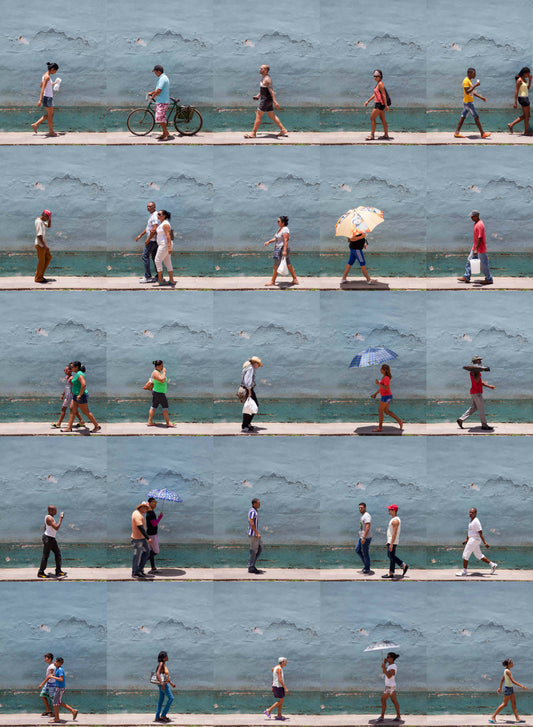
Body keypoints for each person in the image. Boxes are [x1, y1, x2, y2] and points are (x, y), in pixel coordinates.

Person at [245, 64, 288, 138]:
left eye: (261, 68)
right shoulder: (264, 78)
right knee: (272, 116)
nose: (259, 69)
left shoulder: (267, 79)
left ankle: (253, 133)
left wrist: (275, 102)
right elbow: (263, 89)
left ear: (265, 70)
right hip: (267, 100)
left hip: (265, 101)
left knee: (258, 116)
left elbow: (271, 91)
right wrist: (258, 96)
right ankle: (283, 130)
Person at [457, 355, 495, 431]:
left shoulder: (476, 371)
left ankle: (461, 419)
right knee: (481, 409)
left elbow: (480, 382)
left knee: (474, 408)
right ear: (474, 362)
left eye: (480, 360)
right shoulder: (474, 372)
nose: (480, 361)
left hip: (474, 392)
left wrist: (488, 386)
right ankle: (484, 425)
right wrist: (477, 372)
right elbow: (477, 380)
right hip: (476, 392)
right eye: (478, 360)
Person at [457, 507, 498, 576]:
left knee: (465, 555)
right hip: (472, 539)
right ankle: (492, 564)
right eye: (469, 512)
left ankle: (464, 571)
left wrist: (485, 543)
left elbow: (480, 532)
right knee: (479, 555)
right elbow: (470, 531)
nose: (470, 514)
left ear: (475, 513)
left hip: (474, 539)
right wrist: (466, 539)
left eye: (472, 512)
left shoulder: (476, 521)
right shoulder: (471, 521)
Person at [61, 362, 101, 433]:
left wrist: (80, 394)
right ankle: (69, 428)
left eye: (72, 367)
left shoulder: (80, 374)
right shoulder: (77, 374)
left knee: (85, 412)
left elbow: (84, 384)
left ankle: (96, 426)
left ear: (76, 367)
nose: (71, 368)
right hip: (75, 396)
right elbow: (77, 384)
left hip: (81, 396)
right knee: (72, 410)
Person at [457, 210, 493, 285]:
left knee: (483, 264)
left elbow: (480, 238)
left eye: (472, 217)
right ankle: (466, 276)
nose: (471, 218)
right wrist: (475, 248)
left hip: (480, 248)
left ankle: (489, 279)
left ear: (476, 216)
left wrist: (476, 249)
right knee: (469, 260)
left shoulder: (479, 224)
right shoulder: (476, 223)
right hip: (475, 247)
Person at [454, 67, 491, 139]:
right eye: (474, 73)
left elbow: (471, 91)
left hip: (467, 102)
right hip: (468, 102)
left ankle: (456, 133)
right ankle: (482, 133)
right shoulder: (466, 81)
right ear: (469, 73)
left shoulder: (469, 81)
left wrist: (481, 97)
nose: (475, 75)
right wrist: (475, 85)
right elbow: (467, 92)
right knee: (476, 117)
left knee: (463, 117)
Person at [263, 216, 298, 286]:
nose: (277, 222)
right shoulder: (280, 229)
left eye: (278, 221)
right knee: (288, 264)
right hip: (279, 249)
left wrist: (284, 251)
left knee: (276, 265)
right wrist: (269, 242)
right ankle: (295, 279)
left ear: (283, 222)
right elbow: (276, 239)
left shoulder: (285, 229)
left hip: (281, 249)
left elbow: (286, 240)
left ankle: (272, 281)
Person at [489, 658, 527, 724]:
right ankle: (493, 717)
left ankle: (518, 719)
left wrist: (500, 688)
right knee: (504, 704)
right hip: (508, 689)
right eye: (512, 662)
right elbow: (512, 681)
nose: (513, 663)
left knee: (513, 704)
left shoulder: (506, 670)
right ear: (509, 664)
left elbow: (502, 680)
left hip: (510, 688)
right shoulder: (508, 671)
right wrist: (522, 686)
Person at [370, 364, 404, 432]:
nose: (380, 370)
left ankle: (379, 428)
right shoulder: (384, 377)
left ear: (385, 370)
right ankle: (400, 421)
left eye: (381, 369)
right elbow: (381, 388)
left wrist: (378, 384)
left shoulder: (386, 378)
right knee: (386, 411)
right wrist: (375, 394)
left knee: (380, 411)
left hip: (386, 397)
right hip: (386, 396)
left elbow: (386, 388)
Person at [52, 364, 85, 429]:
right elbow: (66, 387)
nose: (65, 371)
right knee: (74, 409)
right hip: (67, 395)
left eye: (66, 370)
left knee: (63, 409)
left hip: (70, 395)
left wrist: (74, 395)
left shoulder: (71, 378)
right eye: (64, 370)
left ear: (70, 371)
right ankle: (81, 421)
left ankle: (58, 423)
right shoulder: (67, 377)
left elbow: (73, 387)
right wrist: (63, 394)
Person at [37, 506, 67, 579]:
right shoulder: (49, 518)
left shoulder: (49, 517)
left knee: (58, 553)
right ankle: (40, 572)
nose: (56, 512)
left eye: (56, 510)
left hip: (51, 538)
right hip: (48, 539)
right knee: (45, 556)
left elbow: (45, 527)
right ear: (50, 511)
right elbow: (56, 527)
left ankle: (58, 570)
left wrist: (48, 534)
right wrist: (61, 518)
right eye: (54, 510)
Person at [32, 62, 59, 136]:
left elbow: (41, 85)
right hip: (47, 97)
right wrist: (40, 100)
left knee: (50, 114)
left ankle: (35, 124)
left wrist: (53, 84)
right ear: (52, 69)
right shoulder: (47, 77)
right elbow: (42, 88)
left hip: (47, 97)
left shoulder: (44, 75)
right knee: (50, 116)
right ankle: (51, 132)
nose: (55, 72)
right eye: (55, 71)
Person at [48, 657, 78, 724]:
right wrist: (53, 676)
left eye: (56, 662)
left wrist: (52, 677)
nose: (54, 663)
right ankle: (73, 711)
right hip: (59, 687)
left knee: (55, 703)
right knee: (58, 702)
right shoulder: (58, 669)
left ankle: (57, 719)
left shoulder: (60, 669)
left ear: (59, 663)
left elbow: (61, 679)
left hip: (59, 688)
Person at [382, 505, 408, 579]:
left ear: (393, 511)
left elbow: (394, 533)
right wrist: (389, 541)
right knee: (390, 556)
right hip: (391, 541)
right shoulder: (394, 519)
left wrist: (391, 544)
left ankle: (391, 573)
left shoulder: (395, 520)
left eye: (390, 509)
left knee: (391, 557)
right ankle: (403, 565)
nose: (388, 510)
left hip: (392, 541)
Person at [147, 360, 175, 428]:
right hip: (159, 393)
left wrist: (163, 372)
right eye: (161, 366)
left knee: (154, 406)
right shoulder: (155, 373)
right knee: (165, 407)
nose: (163, 367)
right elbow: (162, 380)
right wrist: (164, 372)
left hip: (158, 392)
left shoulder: (158, 372)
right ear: (157, 366)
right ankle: (168, 423)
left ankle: (149, 422)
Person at [364, 70, 390, 140]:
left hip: (379, 104)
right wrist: (368, 101)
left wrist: (386, 105)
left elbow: (384, 95)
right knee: (383, 119)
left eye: (376, 76)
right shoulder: (378, 84)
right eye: (374, 76)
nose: (375, 78)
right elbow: (375, 94)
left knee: (372, 118)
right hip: (380, 104)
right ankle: (386, 135)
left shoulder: (380, 84)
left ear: (380, 76)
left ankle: (372, 135)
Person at [137, 201, 159, 283]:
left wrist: (148, 240)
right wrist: (140, 235)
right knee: (155, 258)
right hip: (154, 241)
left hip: (152, 241)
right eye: (147, 206)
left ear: (154, 207)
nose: (148, 208)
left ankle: (148, 277)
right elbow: (148, 228)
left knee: (145, 256)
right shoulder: (152, 216)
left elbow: (154, 230)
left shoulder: (154, 217)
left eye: (150, 206)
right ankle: (158, 276)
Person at [376, 652, 401, 722]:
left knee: (383, 700)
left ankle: (382, 717)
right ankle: (398, 716)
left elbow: (389, 676)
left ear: (392, 658)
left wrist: (384, 668)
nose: (387, 658)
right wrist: (384, 665)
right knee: (394, 701)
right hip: (391, 686)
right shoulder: (390, 666)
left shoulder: (393, 666)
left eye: (388, 657)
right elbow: (386, 673)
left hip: (390, 686)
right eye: (387, 657)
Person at [241, 356, 263, 433]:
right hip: (248, 389)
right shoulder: (250, 368)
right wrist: (249, 391)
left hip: (248, 389)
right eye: (258, 365)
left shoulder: (248, 367)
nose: (259, 366)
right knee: (251, 406)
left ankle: (247, 424)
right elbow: (247, 381)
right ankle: (245, 425)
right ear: (255, 363)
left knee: (251, 406)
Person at [153, 210, 175, 287]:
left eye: (159, 214)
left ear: (164, 215)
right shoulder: (162, 224)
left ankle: (160, 280)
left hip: (164, 245)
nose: (157, 215)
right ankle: (171, 280)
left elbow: (168, 236)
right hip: (163, 245)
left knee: (157, 260)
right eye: (158, 214)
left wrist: (169, 247)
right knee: (167, 261)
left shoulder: (165, 224)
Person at [149, 65, 171, 141]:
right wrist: (151, 93)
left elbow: (159, 91)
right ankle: (164, 133)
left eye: (155, 72)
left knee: (159, 118)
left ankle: (166, 133)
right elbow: (157, 89)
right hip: (161, 101)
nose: (155, 73)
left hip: (163, 101)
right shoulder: (162, 78)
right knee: (161, 118)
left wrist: (153, 97)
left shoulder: (163, 78)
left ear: (159, 71)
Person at [131, 501, 152, 578]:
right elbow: (140, 528)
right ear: (142, 507)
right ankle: (135, 573)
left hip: (141, 538)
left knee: (147, 552)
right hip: (138, 539)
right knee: (137, 556)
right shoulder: (137, 515)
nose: (147, 510)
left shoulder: (139, 514)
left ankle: (139, 570)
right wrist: (148, 538)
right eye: (146, 508)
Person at [154, 651, 176, 723]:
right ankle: (163, 715)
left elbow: (164, 676)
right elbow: (157, 673)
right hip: (163, 684)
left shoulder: (164, 664)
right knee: (171, 698)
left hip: (163, 684)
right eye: (166, 656)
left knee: (161, 700)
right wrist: (162, 684)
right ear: (163, 658)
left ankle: (157, 717)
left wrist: (171, 683)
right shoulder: (161, 664)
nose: (167, 657)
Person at [508, 67, 531, 135]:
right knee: (527, 116)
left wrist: (530, 80)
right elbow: (516, 91)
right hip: (522, 98)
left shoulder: (525, 80)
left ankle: (511, 124)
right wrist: (515, 102)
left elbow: (527, 88)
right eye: (528, 73)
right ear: (524, 73)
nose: (529, 75)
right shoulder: (519, 80)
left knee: (526, 115)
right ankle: (526, 132)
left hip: (526, 97)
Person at [34, 210, 52, 284]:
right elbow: (39, 235)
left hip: (42, 245)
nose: (47, 220)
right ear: (44, 216)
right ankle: (38, 278)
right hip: (40, 245)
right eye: (47, 218)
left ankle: (39, 274)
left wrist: (50, 219)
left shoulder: (41, 221)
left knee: (48, 257)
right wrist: (45, 246)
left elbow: (49, 226)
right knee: (42, 262)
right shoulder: (39, 222)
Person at [146, 497, 163, 574]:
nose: (155, 504)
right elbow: (154, 524)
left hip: (150, 534)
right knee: (156, 551)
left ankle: (153, 568)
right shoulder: (151, 513)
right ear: (149, 503)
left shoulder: (149, 512)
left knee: (151, 551)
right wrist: (160, 517)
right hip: (152, 535)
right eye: (153, 502)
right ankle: (141, 561)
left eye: (156, 502)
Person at [356, 502, 372, 575]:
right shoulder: (363, 516)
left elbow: (368, 526)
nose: (360, 509)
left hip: (365, 538)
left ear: (365, 508)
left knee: (365, 553)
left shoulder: (366, 516)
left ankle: (367, 568)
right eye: (359, 508)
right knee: (357, 550)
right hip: (361, 537)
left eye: (361, 508)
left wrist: (364, 537)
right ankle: (367, 564)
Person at [38, 653, 56, 717]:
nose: (45, 659)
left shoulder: (52, 666)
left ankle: (55, 713)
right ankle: (48, 710)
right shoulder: (50, 666)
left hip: (52, 684)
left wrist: (42, 684)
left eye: (46, 658)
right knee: (42, 695)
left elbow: (49, 676)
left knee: (53, 699)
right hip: (48, 684)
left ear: (50, 659)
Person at [248, 498, 262, 574]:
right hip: (253, 534)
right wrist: (257, 533)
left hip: (254, 534)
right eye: (258, 503)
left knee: (260, 548)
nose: (259, 504)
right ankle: (251, 566)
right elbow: (252, 523)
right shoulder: (252, 512)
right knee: (254, 551)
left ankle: (252, 564)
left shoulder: (255, 511)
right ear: (254, 504)